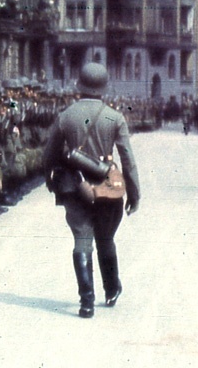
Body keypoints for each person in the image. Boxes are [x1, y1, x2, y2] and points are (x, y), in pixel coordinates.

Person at [42, 62, 141, 319]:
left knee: (82, 240)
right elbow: (128, 159)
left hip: (75, 187)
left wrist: (50, 181)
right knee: (106, 238)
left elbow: (49, 154)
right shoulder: (114, 117)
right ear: (104, 87)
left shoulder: (66, 115)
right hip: (107, 187)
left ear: (79, 85)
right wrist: (133, 192)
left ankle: (86, 302)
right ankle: (111, 290)